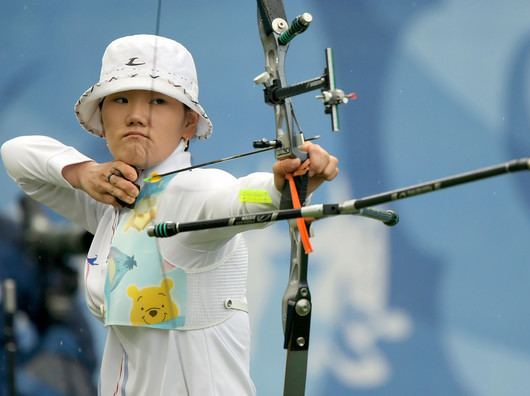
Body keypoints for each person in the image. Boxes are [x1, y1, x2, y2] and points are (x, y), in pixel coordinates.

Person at [1, 34, 338, 395]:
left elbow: (239, 196)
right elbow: (16, 154)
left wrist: (283, 187)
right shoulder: (110, 202)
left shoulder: (194, 192)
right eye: (121, 99)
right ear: (102, 115)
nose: (135, 115)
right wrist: (83, 173)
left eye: (158, 101)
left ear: (188, 123)